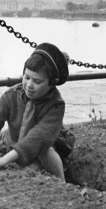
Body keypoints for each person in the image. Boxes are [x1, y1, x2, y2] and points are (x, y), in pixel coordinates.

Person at [0, 42, 74, 181]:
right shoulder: (11, 95)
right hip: (14, 143)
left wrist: (3, 161)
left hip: (43, 148)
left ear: (51, 83)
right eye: (26, 77)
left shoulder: (56, 105)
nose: (29, 85)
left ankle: (63, 183)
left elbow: (38, 138)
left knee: (46, 153)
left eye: (37, 81)